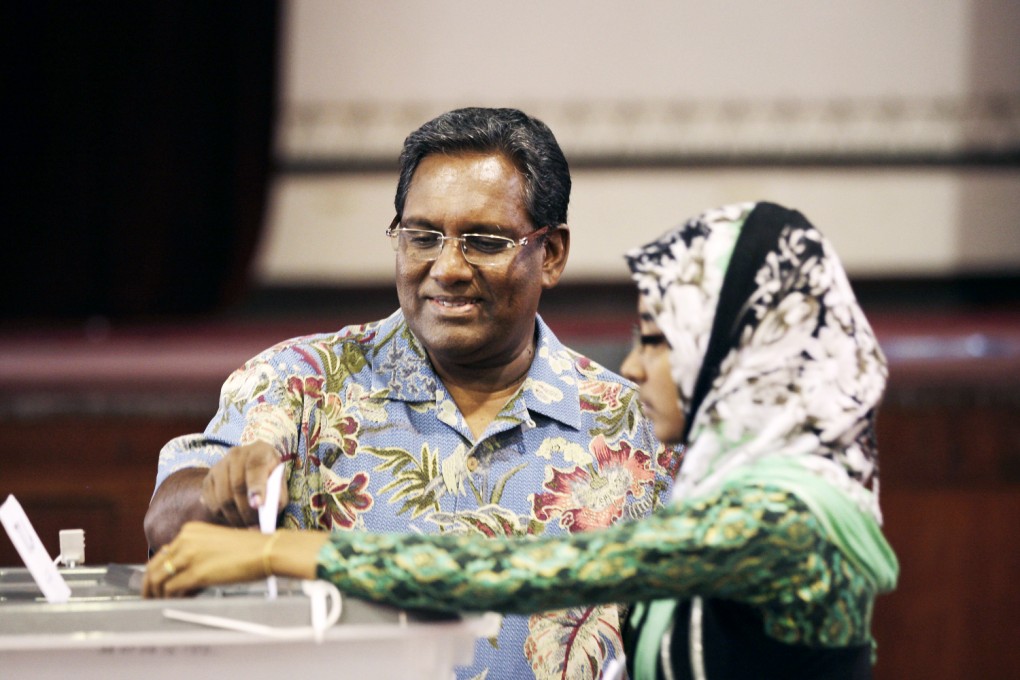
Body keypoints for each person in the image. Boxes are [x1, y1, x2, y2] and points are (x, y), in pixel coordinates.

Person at [145, 201, 899, 679]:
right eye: (421, 235)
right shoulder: (748, 486)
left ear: (745, 351)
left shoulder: (779, 518)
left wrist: (277, 550)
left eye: (665, 341)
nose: (635, 365)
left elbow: (526, 569)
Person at [142, 107, 680, 679]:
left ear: (550, 254)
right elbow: (167, 526)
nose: (447, 267)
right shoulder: (298, 381)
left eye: (484, 241)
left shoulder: (631, 425)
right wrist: (220, 492)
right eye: (423, 236)